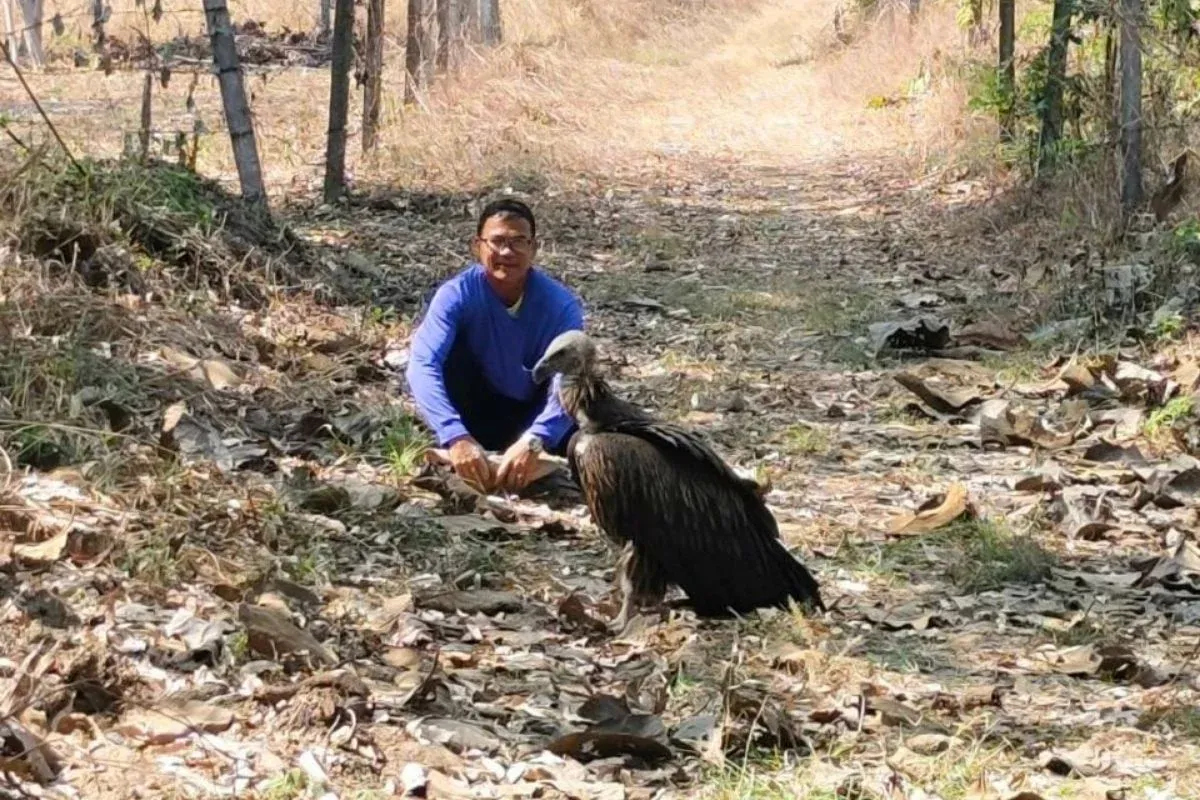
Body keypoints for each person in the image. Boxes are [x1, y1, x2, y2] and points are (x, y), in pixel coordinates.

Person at [405, 198, 585, 494]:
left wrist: (536, 438)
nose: (506, 252)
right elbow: (422, 365)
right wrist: (455, 434)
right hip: (475, 414)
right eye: (497, 241)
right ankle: (466, 456)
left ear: (534, 248)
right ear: (478, 245)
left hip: (534, 417)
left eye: (518, 242)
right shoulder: (457, 296)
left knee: (592, 434)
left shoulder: (560, 306)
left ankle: (523, 464)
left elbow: (571, 380)